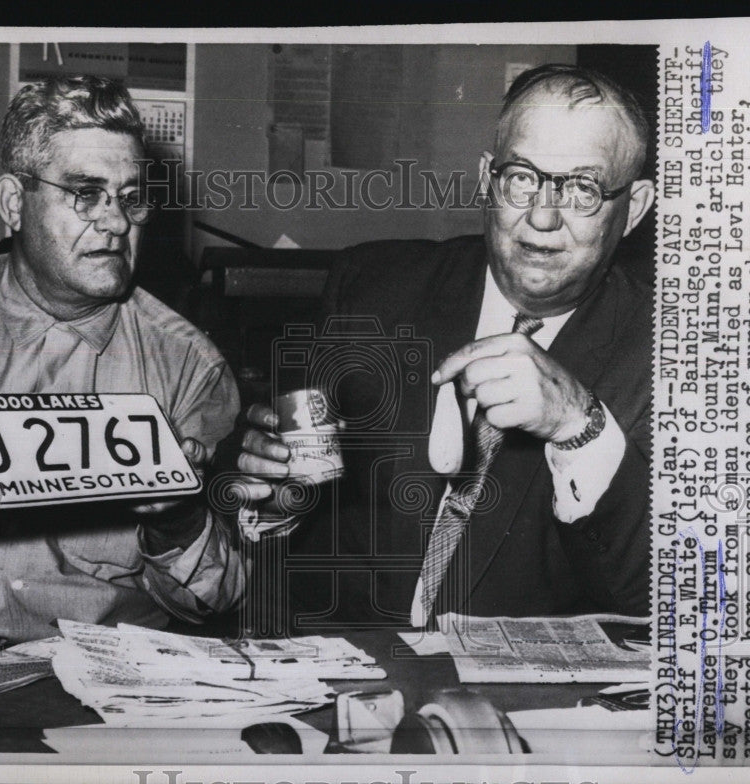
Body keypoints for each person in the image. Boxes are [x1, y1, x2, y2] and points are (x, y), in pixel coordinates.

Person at [226, 64, 656, 628]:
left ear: (636, 208)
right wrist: (275, 504)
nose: (543, 216)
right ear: (486, 178)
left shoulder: (676, 350)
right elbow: (290, 521)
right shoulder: (371, 288)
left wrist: (578, 426)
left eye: (581, 188)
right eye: (522, 177)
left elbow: (669, 603)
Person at [0, 76, 262, 644]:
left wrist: (179, 521)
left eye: (130, 197)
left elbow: (212, 600)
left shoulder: (190, 367)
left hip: (101, 675)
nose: (117, 222)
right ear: (12, 204)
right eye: (85, 193)